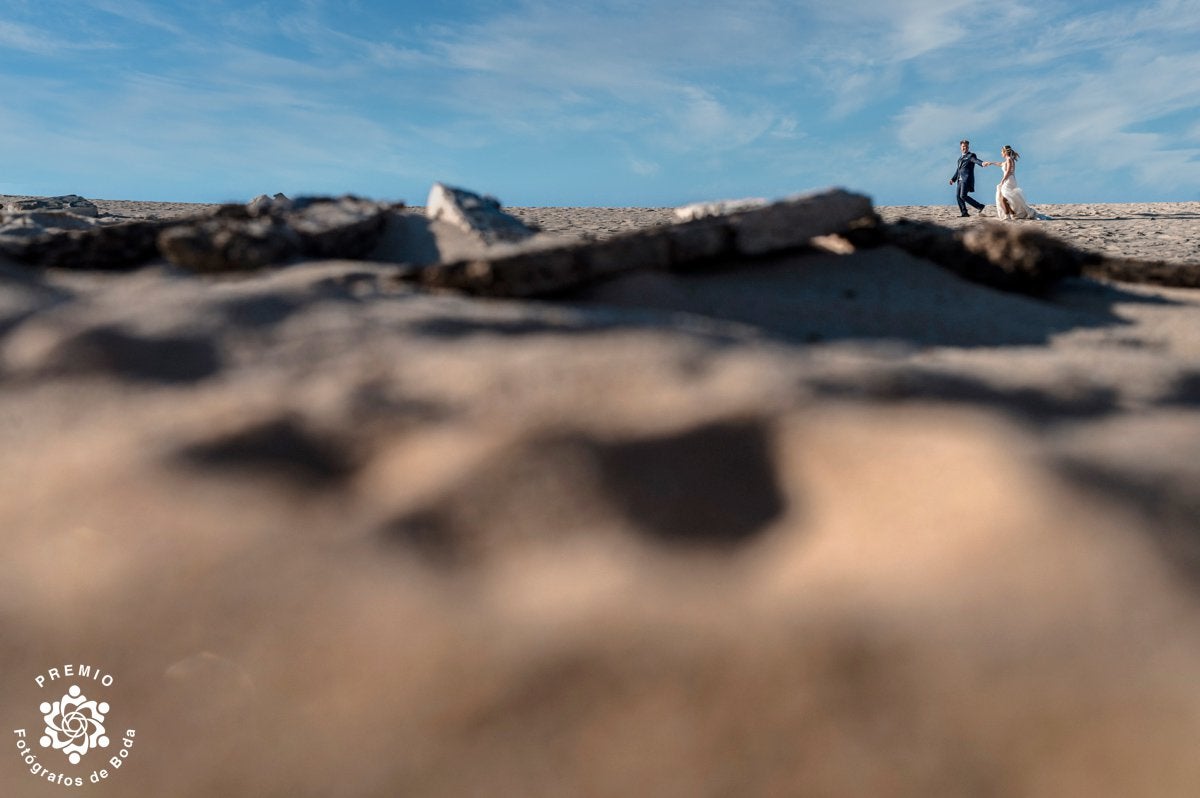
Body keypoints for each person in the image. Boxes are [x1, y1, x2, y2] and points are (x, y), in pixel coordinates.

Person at [982, 145, 1038, 220]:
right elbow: (1000, 164)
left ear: (1005, 152)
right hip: (1008, 179)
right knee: (1005, 198)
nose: (1001, 153)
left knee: (1003, 198)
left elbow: (1008, 171)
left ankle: (1007, 215)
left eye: (1002, 152)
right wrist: (991, 163)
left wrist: (1003, 180)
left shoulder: (1009, 159)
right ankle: (1012, 214)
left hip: (1009, 180)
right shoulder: (1007, 160)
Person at [949, 139, 987, 217]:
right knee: (958, 196)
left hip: (966, 179)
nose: (964, 148)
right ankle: (964, 213)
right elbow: (958, 170)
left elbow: (975, 160)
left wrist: (982, 163)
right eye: (963, 146)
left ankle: (980, 206)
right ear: (960, 147)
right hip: (959, 180)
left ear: (968, 147)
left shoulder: (970, 156)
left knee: (963, 196)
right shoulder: (960, 159)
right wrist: (953, 179)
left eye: (966, 147)